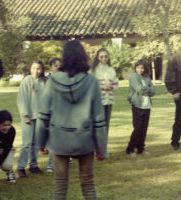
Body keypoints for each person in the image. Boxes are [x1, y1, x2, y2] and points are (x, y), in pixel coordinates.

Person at [36, 40, 107, 200]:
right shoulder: (92, 81)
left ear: (64, 58)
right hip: (85, 140)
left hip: (59, 139)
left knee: (60, 185)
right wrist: (102, 149)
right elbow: (99, 119)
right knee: (88, 183)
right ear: (83, 57)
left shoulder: (53, 81)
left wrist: (41, 143)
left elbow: (43, 116)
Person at [16, 60, 47, 177]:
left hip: (40, 117)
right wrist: (25, 115)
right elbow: (22, 99)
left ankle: (33, 165)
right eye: (33, 68)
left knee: (36, 143)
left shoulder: (44, 81)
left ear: (42, 70)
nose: (36, 71)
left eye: (38, 68)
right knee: (27, 143)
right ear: (30, 69)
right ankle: (20, 167)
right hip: (28, 117)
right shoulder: (27, 81)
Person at [90, 48, 119, 155]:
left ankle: (102, 150)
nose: (104, 58)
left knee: (106, 126)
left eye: (106, 56)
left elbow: (116, 84)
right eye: (101, 56)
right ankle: (93, 149)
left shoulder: (111, 69)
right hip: (98, 102)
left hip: (109, 101)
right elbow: (91, 85)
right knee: (97, 126)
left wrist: (111, 87)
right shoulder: (93, 70)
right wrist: (102, 87)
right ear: (97, 57)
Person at [126, 59, 155, 156]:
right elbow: (139, 89)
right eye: (138, 68)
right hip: (138, 105)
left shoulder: (147, 77)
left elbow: (153, 91)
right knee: (137, 129)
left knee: (144, 129)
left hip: (147, 106)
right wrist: (148, 89)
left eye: (142, 68)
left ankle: (141, 148)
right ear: (135, 68)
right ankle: (130, 149)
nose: (140, 70)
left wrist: (147, 90)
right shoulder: (134, 77)